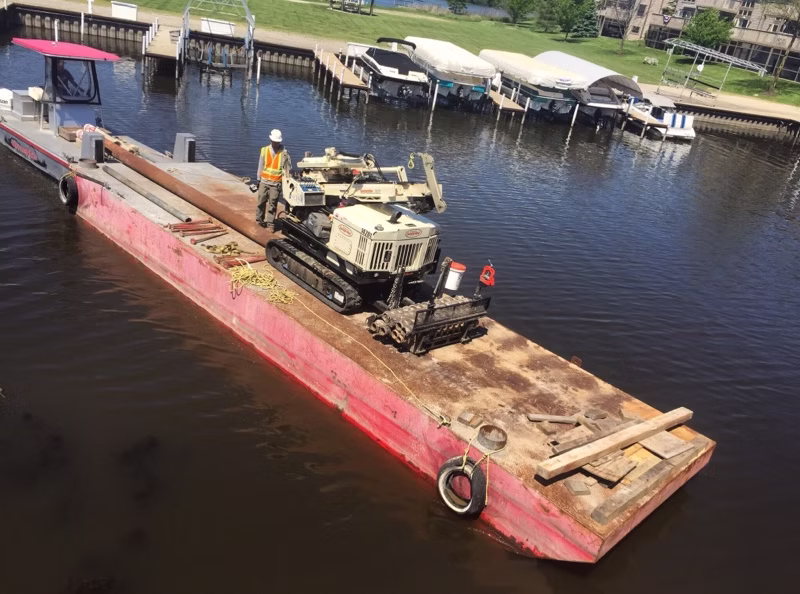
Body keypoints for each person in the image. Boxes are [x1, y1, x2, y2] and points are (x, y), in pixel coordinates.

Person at [255, 129, 290, 230]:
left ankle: (270, 223)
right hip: (264, 181)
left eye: (277, 142)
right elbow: (260, 165)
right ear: (271, 140)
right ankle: (259, 220)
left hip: (276, 183)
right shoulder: (264, 150)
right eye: (274, 141)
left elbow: (287, 169)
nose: (275, 143)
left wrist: (285, 184)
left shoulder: (284, 153)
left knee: (272, 204)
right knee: (260, 202)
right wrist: (258, 179)